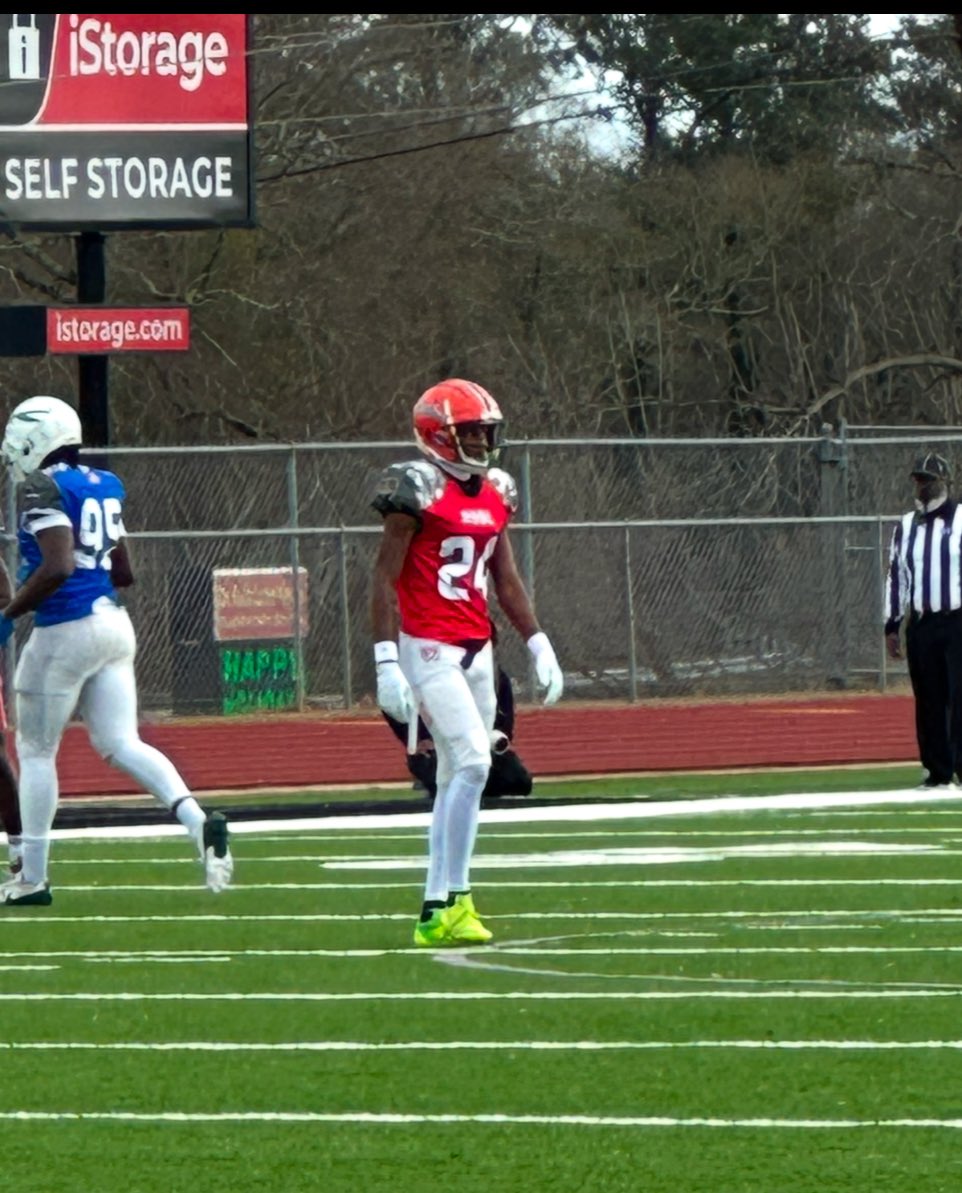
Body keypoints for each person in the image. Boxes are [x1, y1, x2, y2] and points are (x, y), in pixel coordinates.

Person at [0, 395, 234, 906]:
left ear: (38, 438)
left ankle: (32, 877)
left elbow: (58, 566)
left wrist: (9, 613)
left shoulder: (44, 486)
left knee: (37, 752)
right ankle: (197, 823)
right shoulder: (104, 484)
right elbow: (123, 570)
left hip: (65, 627)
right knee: (122, 743)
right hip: (113, 623)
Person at [371, 377, 563, 948]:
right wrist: (386, 661)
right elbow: (383, 577)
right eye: (471, 431)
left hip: (477, 644)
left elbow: (504, 576)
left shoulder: (496, 491)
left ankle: (441, 906)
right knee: (476, 764)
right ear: (439, 436)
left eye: (484, 431)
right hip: (427, 644)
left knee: (461, 775)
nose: (482, 441)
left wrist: (536, 640)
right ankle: (450, 898)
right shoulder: (418, 490)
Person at [884, 450, 962, 790]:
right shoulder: (906, 526)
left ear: (943, 482)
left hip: (957, 620)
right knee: (928, 698)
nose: (920, 486)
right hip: (922, 624)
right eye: (918, 479)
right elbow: (896, 576)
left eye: (926, 480)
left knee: (959, 698)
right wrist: (892, 623)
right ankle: (937, 770)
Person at [382, 658, 534, 801]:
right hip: (438, 749)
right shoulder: (424, 673)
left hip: (483, 747)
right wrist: (418, 739)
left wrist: (493, 740)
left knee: (517, 780)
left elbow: (503, 729)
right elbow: (393, 705)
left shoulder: (497, 678)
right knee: (446, 778)